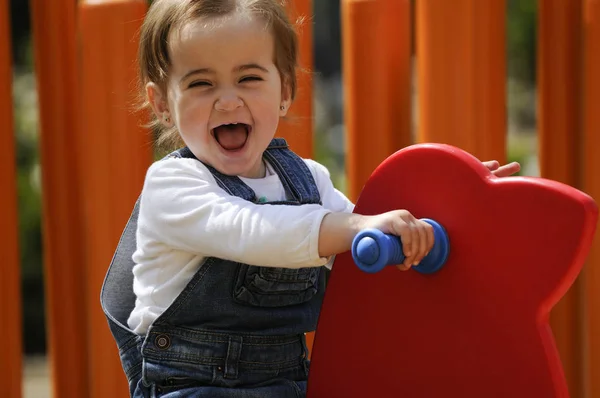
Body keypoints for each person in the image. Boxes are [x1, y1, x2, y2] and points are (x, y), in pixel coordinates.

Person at [100, 0, 521, 397]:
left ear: (284, 90)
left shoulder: (307, 181)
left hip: (291, 382)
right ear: (163, 105)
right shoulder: (172, 185)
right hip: (190, 386)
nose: (227, 99)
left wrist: (448, 209)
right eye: (201, 83)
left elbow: (365, 249)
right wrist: (356, 226)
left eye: (248, 78)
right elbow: (251, 230)